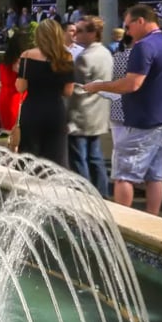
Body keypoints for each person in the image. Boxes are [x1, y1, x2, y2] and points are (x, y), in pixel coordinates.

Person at [84, 5, 162, 215]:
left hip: (141, 119)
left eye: (128, 26)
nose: (127, 32)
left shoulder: (143, 47)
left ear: (140, 21)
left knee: (124, 176)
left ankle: (125, 226)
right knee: (154, 176)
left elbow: (132, 84)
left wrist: (99, 86)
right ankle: (153, 220)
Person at [13, 19, 75, 166]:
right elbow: (68, 91)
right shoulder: (66, 57)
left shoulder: (27, 55)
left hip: (32, 109)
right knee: (55, 158)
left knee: (29, 157)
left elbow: (21, 87)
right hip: (55, 110)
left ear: (38, 36)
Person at [68, 18, 114, 195]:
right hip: (99, 112)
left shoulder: (85, 57)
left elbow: (76, 90)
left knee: (79, 158)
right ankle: (102, 191)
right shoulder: (105, 52)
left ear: (92, 34)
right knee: (95, 156)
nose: (75, 34)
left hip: (81, 114)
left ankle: (85, 194)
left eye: (79, 31)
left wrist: (67, 116)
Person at [0, 34, 26, 137]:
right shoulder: (20, 62)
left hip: (4, 97)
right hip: (17, 98)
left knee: (8, 132)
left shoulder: (4, 61)